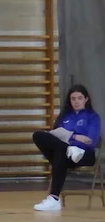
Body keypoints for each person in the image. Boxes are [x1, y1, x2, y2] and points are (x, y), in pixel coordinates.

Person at [32, 83, 101, 212]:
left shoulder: (93, 117)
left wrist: (70, 140)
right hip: (66, 153)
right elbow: (54, 134)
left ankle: (54, 199)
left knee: (60, 152)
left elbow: (91, 141)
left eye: (79, 98)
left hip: (85, 155)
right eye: (73, 99)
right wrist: (75, 137)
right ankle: (54, 199)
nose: (76, 101)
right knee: (38, 136)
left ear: (86, 99)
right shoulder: (64, 117)